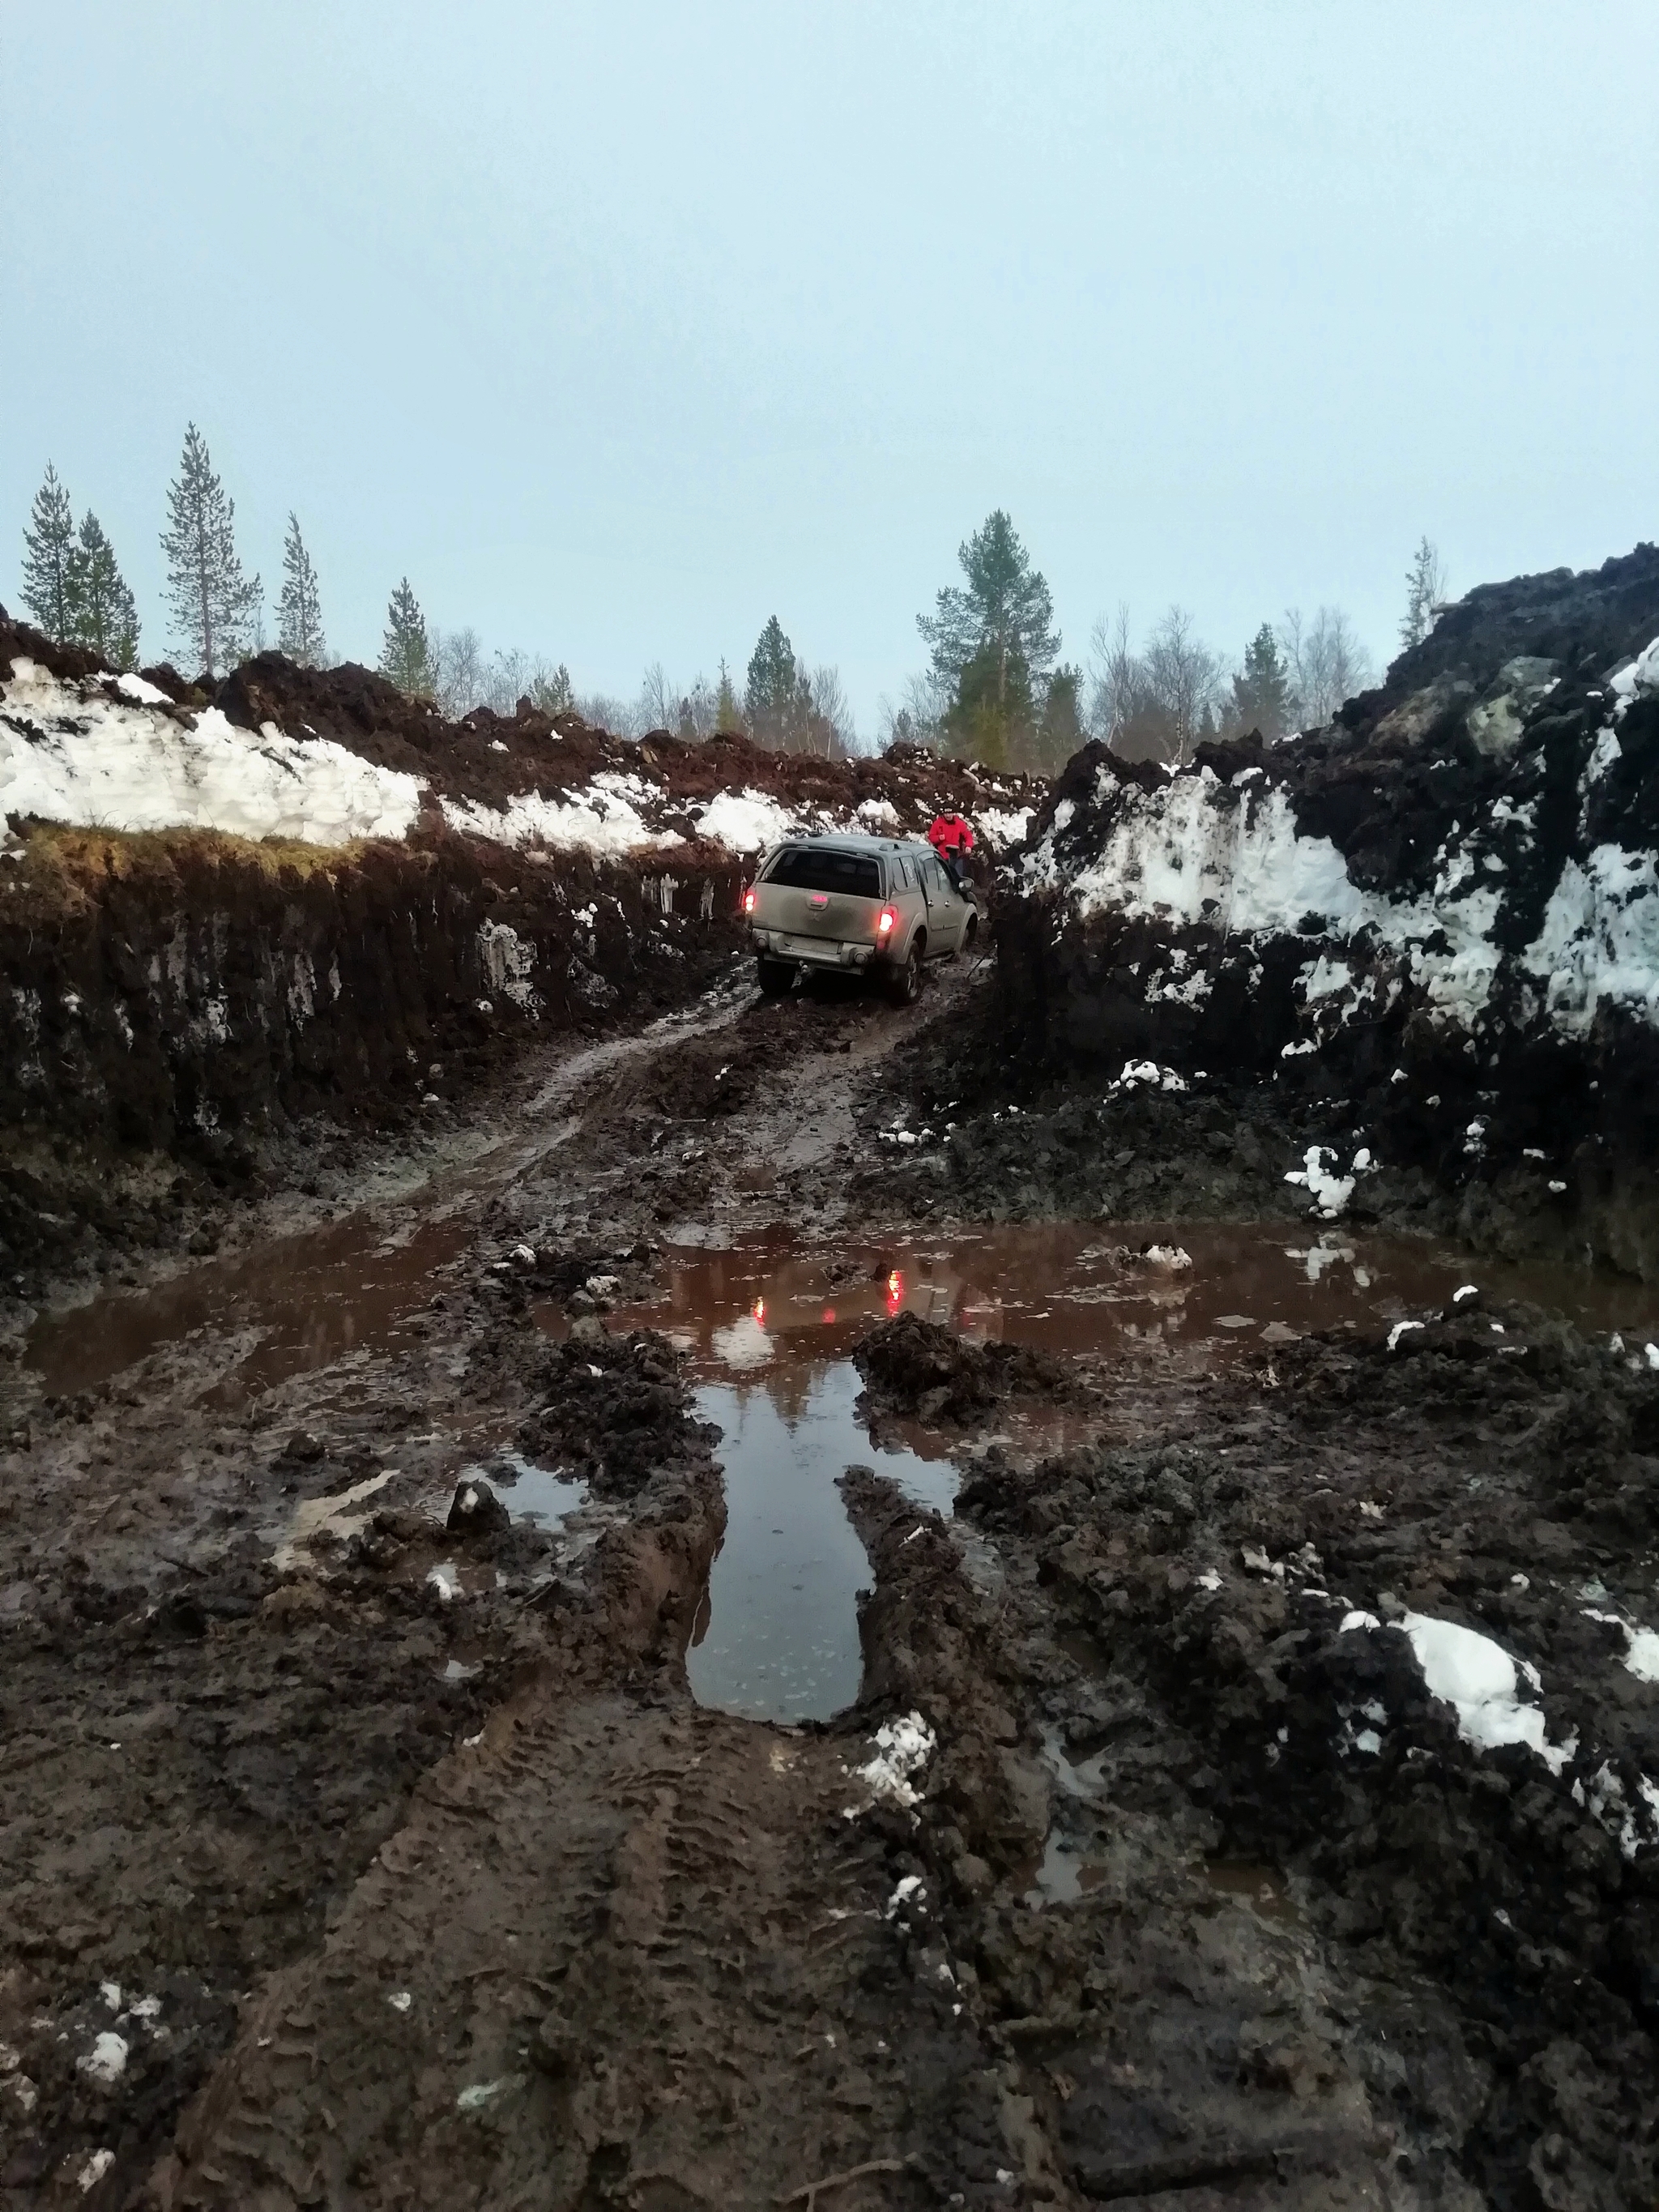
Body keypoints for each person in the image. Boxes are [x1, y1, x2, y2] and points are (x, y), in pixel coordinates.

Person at [928, 809, 975, 895]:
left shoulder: (959, 824)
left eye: (950, 813)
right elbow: (931, 837)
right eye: (946, 813)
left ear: (953, 813)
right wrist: (939, 838)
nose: (948, 815)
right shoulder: (937, 824)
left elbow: (968, 835)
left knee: (958, 877)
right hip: (942, 856)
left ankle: (959, 895)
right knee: (944, 879)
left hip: (957, 855)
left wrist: (968, 846)